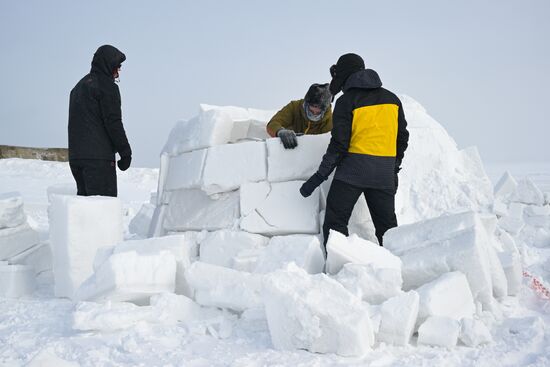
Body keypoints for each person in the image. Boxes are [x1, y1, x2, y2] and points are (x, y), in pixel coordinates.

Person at [300, 53, 409, 246]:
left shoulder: (346, 101)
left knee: (335, 223)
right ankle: (397, 267)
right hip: (383, 174)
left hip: (353, 172)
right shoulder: (392, 99)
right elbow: (402, 138)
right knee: (388, 229)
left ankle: (339, 268)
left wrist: (319, 177)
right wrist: (393, 168)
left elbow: (339, 145)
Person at [68, 44, 132, 197]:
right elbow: (113, 122)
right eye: (118, 66)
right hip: (98, 161)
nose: (118, 71)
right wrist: (125, 152)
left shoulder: (78, 87)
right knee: (102, 212)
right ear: (109, 65)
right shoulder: (107, 87)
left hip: (76, 159)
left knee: (85, 213)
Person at [266, 83, 333, 149]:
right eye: (311, 110)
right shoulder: (294, 107)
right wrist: (279, 131)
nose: (314, 114)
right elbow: (272, 124)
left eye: (318, 112)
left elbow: (332, 143)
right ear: (307, 103)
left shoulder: (330, 120)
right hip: (288, 151)